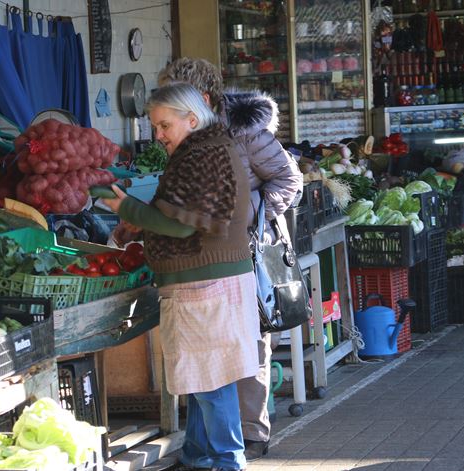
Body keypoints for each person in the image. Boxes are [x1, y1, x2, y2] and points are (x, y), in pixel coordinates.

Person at [102, 82, 259, 471]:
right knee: (203, 379)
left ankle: (227, 461)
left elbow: (185, 225)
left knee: (211, 382)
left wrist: (129, 209)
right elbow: (179, 213)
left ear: (192, 119)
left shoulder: (204, 154)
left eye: (164, 125)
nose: (158, 135)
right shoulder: (204, 148)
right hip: (206, 286)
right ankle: (197, 457)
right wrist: (140, 221)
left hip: (206, 287)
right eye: (156, 126)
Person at [152, 57, 303, 461]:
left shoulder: (244, 132)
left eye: (172, 96)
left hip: (252, 249)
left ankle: (250, 431)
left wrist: (249, 214)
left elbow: (289, 179)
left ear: (198, 99)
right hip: (215, 252)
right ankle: (207, 449)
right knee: (215, 354)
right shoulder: (190, 137)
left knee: (247, 343)